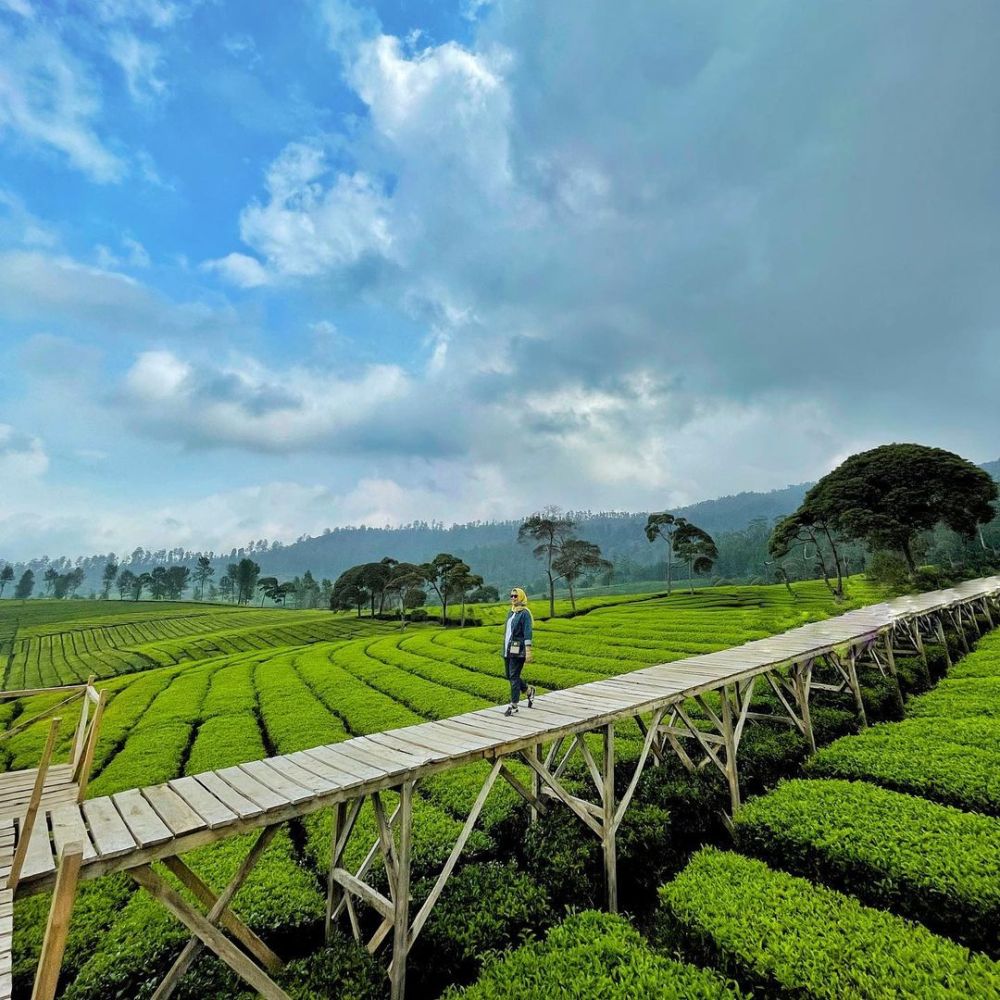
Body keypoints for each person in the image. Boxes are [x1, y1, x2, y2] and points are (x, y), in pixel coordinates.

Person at [503, 587, 535, 716]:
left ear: (521, 597)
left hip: (518, 649)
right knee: (509, 675)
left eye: (515, 596)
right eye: (511, 596)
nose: (513, 598)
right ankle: (528, 691)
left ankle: (514, 704)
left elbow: (528, 632)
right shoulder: (511, 612)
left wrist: (528, 650)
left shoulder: (525, 613)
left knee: (514, 676)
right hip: (507, 649)